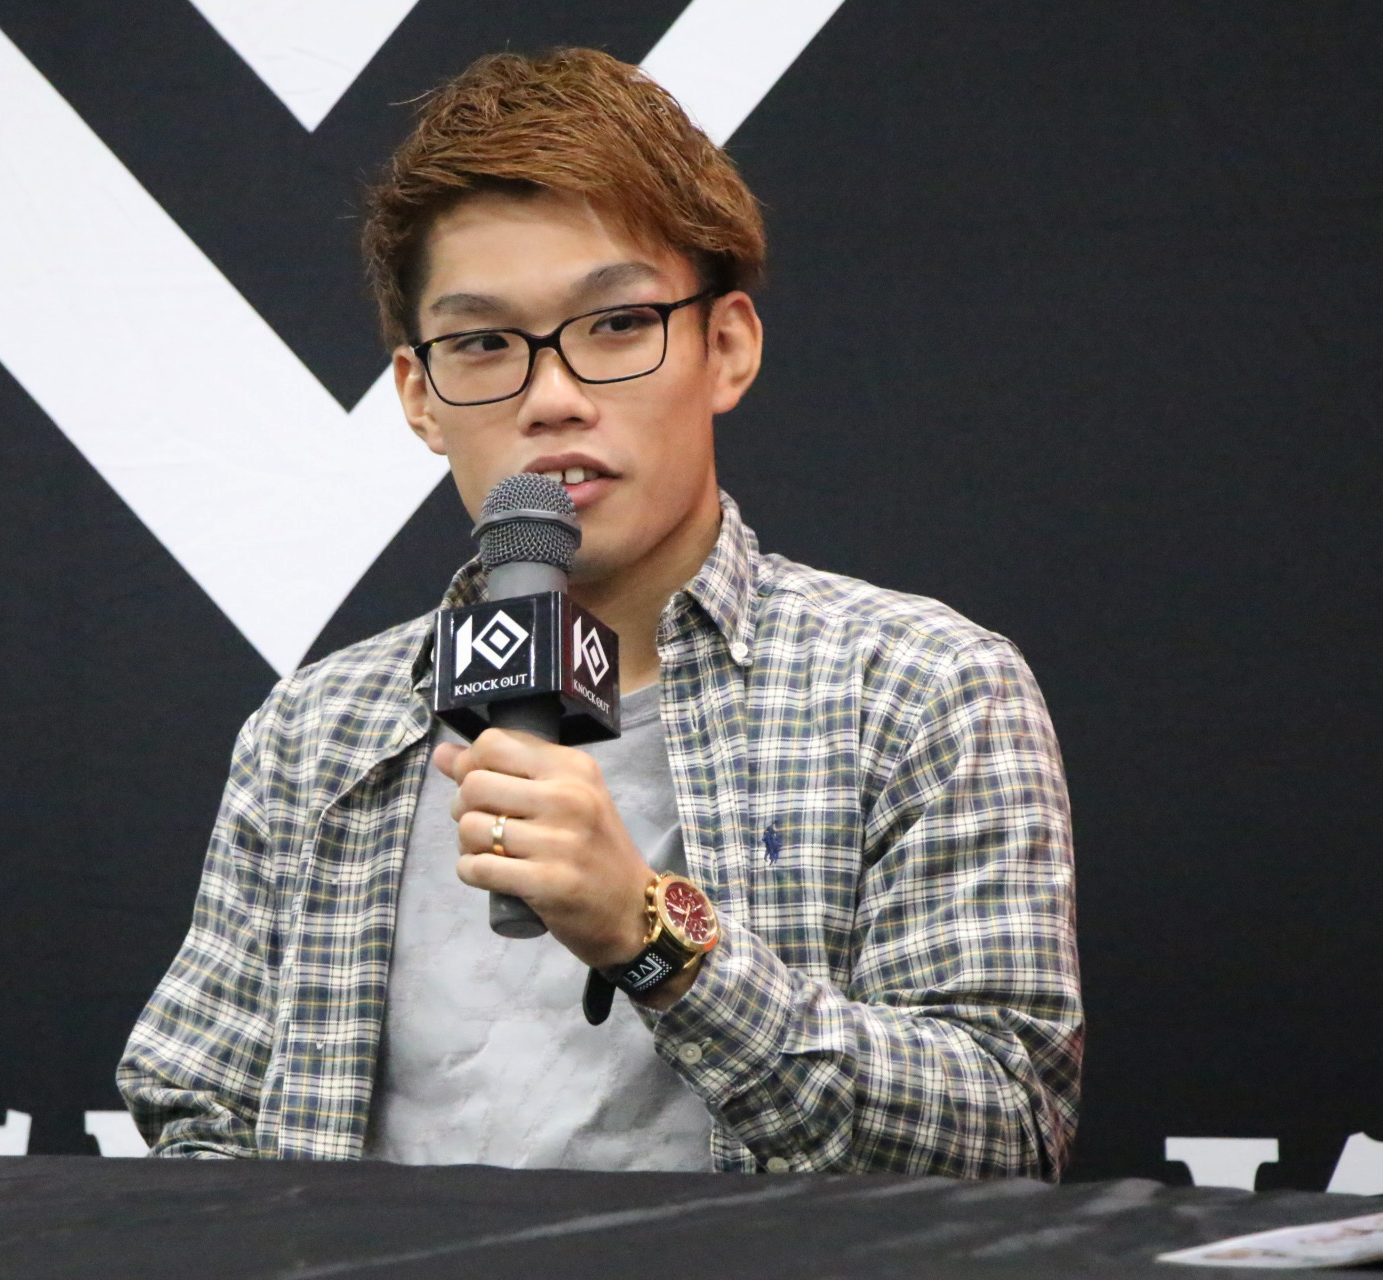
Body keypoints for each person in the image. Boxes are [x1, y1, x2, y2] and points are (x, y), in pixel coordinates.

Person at [117, 47, 1083, 1178]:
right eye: (484, 343)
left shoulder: (919, 689)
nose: (553, 396)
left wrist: (650, 933)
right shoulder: (317, 732)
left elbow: (1004, 1134)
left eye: (616, 324)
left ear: (727, 347)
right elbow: (198, 1124)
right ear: (420, 397)